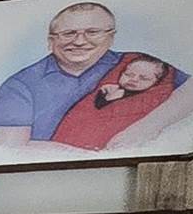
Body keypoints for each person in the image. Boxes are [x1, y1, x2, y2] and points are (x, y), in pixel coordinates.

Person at [0, 0, 133, 151]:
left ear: (111, 37)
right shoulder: (19, 85)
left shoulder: (137, 66)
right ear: (51, 41)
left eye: (92, 32)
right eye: (68, 34)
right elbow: (11, 149)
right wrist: (92, 156)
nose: (79, 41)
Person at [49, 52, 181, 151]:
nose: (134, 79)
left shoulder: (148, 100)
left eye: (144, 78)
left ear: (155, 84)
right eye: (128, 74)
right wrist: (105, 96)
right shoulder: (107, 90)